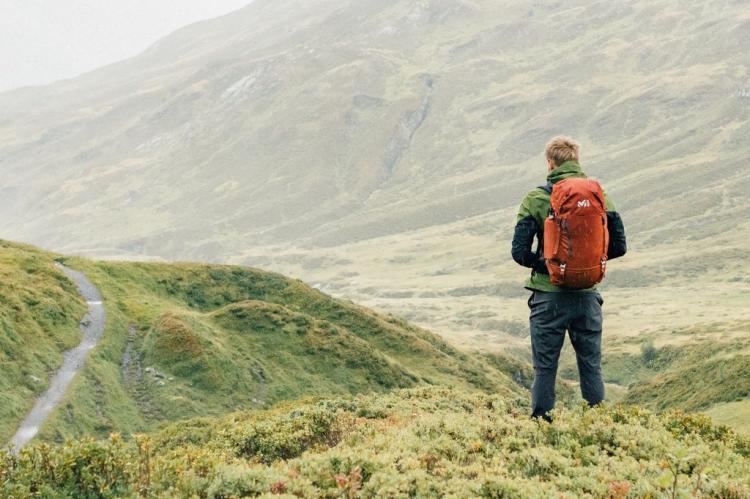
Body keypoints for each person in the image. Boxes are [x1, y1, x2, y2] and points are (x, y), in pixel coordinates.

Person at [511, 136, 627, 421]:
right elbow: (619, 246)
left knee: (545, 367)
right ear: (577, 161)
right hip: (588, 297)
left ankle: (541, 428)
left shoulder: (537, 198)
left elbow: (519, 251)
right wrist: (584, 265)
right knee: (591, 365)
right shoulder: (600, 196)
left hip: (548, 299)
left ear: (549, 163)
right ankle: (599, 426)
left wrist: (553, 265)